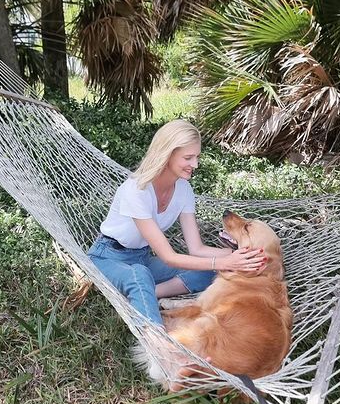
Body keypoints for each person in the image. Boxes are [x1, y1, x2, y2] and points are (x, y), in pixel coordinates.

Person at [87, 119, 267, 325]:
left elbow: (197, 248)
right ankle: (159, 347)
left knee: (208, 271)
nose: (196, 165)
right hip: (108, 257)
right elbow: (169, 257)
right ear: (167, 154)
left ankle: (147, 294)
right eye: (188, 157)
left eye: (197, 157)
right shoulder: (136, 190)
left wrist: (242, 255)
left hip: (141, 258)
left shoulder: (183, 190)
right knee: (139, 275)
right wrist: (224, 260)